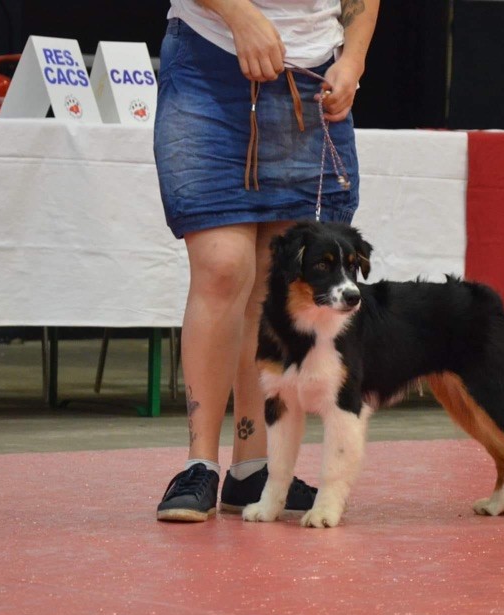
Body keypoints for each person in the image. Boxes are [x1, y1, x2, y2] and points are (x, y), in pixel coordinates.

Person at [153, 0, 380, 522]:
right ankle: (200, 463)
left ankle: (253, 466)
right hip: (211, 61)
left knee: (278, 279)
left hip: (312, 76)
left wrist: (353, 60)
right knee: (223, 266)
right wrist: (238, 13)